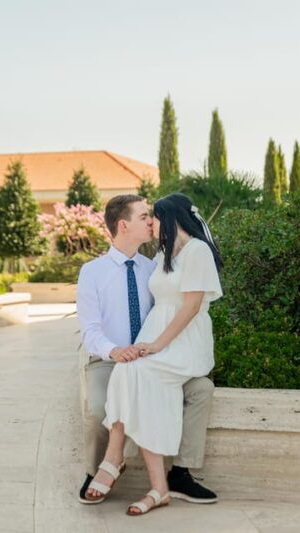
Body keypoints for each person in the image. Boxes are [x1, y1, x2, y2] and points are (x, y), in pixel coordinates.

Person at [81, 193, 223, 516]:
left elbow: (190, 306)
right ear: (122, 225)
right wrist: (118, 350)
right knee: (130, 375)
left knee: (136, 375)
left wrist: (155, 345)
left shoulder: (184, 255)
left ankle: (118, 461)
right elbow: (90, 330)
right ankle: (156, 486)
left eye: (152, 216)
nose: (149, 222)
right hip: (133, 349)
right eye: (144, 216)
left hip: (175, 343)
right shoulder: (108, 269)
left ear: (170, 219)